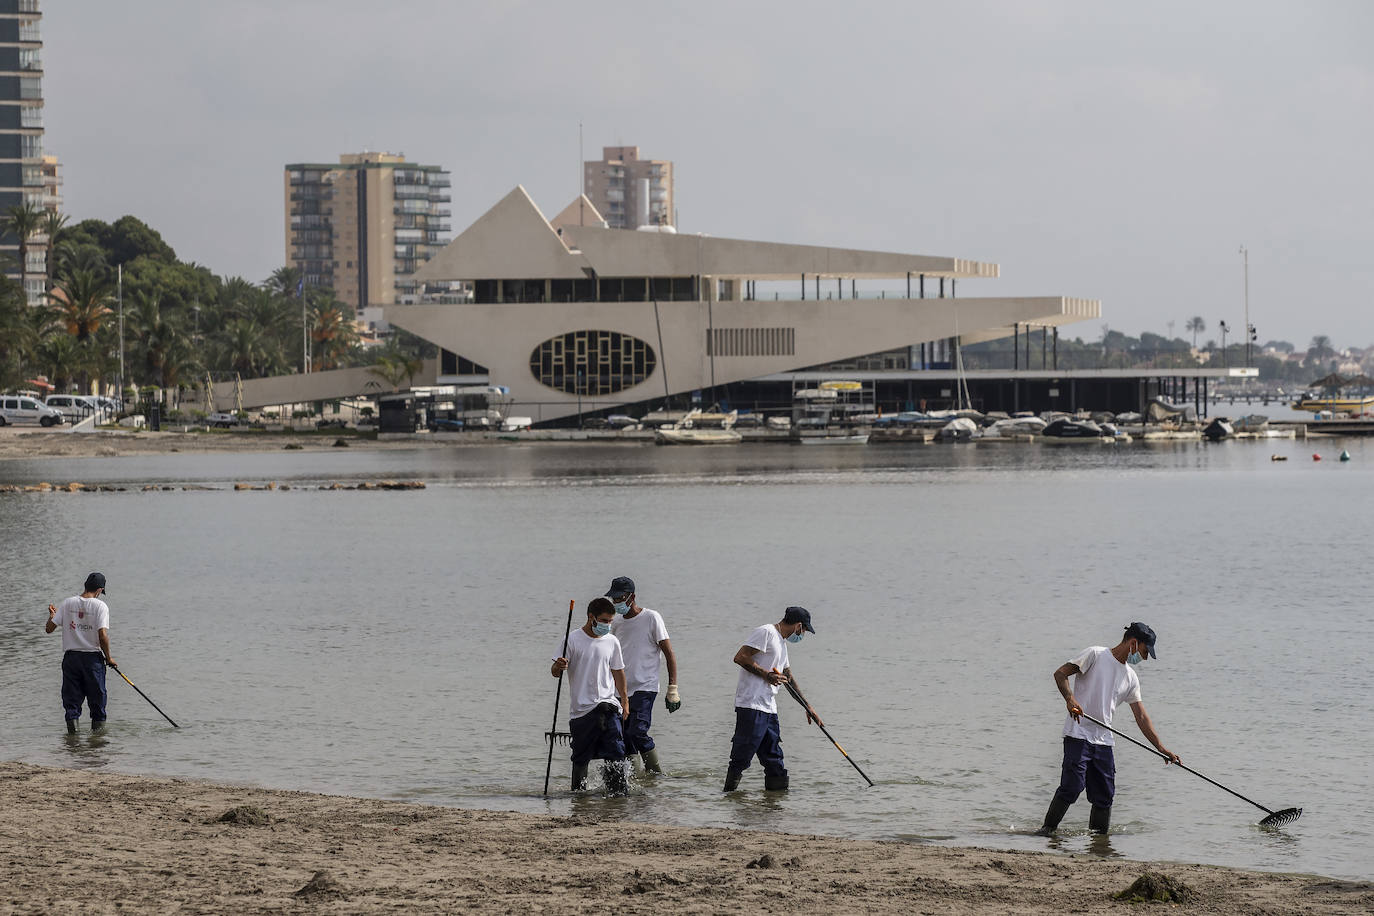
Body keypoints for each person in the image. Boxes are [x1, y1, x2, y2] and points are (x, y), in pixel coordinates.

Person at [1037, 622, 1180, 835]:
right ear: (1133, 643)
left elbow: (1141, 716)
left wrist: (1161, 748)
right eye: (1144, 651)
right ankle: (1046, 831)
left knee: (1105, 795)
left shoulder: (1131, 677)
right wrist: (1070, 699)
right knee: (1072, 787)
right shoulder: (1095, 655)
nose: (1145, 658)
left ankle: (1099, 843)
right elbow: (1060, 674)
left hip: (1104, 741)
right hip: (1078, 734)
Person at [724, 606, 820, 792]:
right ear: (798, 626)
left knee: (774, 760)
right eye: (805, 630)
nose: (803, 635)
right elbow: (740, 657)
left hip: (769, 708)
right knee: (742, 756)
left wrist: (808, 707)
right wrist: (766, 675)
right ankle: (728, 797)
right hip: (751, 705)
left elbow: (788, 679)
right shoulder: (766, 632)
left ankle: (774, 809)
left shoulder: (782, 644)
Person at [550, 596, 631, 793]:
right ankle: (578, 795)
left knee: (616, 752)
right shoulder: (572, 639)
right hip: (582, 710)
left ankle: (618, 794)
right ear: (591, 617)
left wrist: (625, 702)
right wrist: (559, 666)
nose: (608, 625)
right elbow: (554, 672)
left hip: (609, 704)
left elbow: (618, 672)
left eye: (610, 621)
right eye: (604, 621)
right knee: (581, 756)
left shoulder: (612, 641)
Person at [606, 576, 679, 775]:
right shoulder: (616, 622)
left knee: (637, 731)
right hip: (620, 689)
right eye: (614, 599)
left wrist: (672, 688)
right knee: (624, 736)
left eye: (620, 598)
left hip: (645, 686)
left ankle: (655, 773)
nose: (617, 603)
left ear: (632, 597)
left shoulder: (651, 618)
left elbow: (669, 653)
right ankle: (634, 779)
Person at [45, 572, 117, 734]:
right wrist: (109, 658)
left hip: (71, 659)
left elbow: (49, 629)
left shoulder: (67, 603)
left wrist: (52, 616)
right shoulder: (100, 606)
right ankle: (97, 743)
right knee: (97, 701)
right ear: (99, 590)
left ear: (85, 585)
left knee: (71, 701)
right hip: (92, 660)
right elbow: (102, 635)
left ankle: (73, 741)